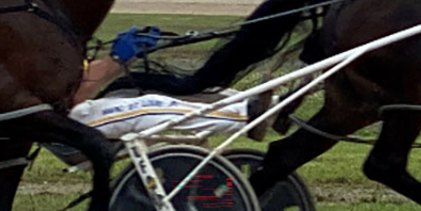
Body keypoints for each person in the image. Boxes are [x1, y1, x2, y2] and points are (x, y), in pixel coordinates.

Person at [44, 26, 273, 166]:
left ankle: (276, 108)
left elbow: (83, 80)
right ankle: (246, 116)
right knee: (150, 106)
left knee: (178, 91)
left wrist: (127, 55)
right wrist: (117, 58)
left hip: (79, 114)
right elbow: (65, 98)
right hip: (68, 131)